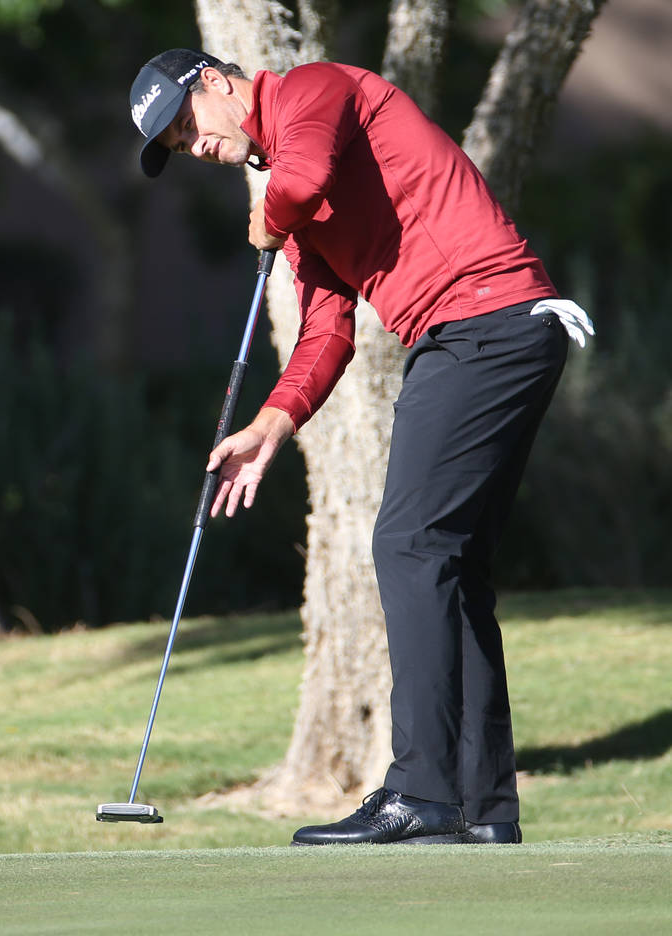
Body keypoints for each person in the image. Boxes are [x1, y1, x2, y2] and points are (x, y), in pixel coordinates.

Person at [129, 49, 593, 845]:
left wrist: (270, 216)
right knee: (450, 563)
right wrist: (270, 427)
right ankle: (484, 808)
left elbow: (300, 182)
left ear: (215, 81)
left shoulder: (313, 90)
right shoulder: (297, 199)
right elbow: (324, 333)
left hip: (483, 323)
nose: (193, 145)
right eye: (177, 146)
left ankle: (420, 792)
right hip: (484, 332)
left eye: (186, 125)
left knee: (410, 544)